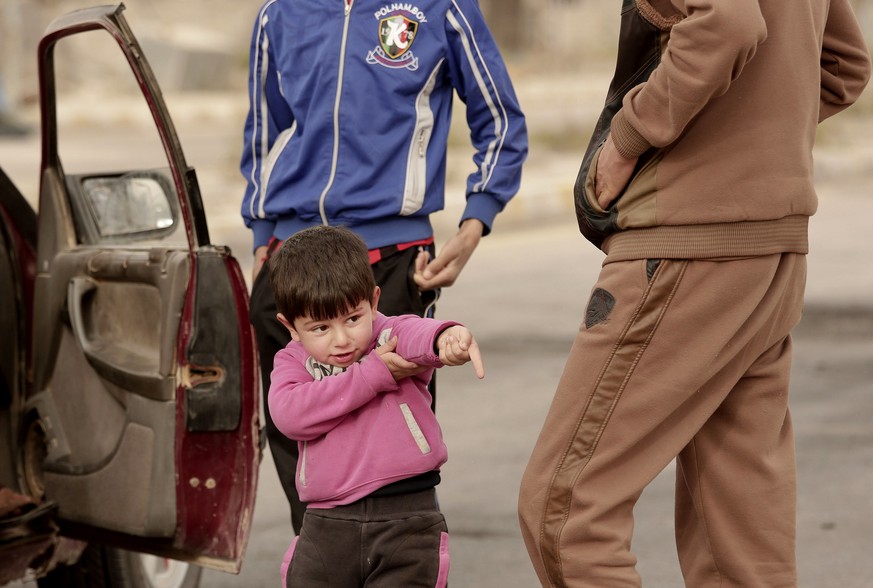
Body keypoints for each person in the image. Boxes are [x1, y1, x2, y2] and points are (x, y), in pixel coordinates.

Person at [518, 0, 870, 586]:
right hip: (770, 252)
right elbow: (844, 65)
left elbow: (728, 22)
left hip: (685, 246)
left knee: (567, 510)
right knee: (739, 542)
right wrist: (757, 142)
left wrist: (627, 141)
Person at [240, 0, 527, 533]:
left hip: (389, 263)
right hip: (291, 262)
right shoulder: (279, 13)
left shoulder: (441, 8)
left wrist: (474, 223)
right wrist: (262, 235)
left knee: (391, 450)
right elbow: (262, 130)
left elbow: (502, 120)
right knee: (299, 436)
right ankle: (320, 559)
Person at [267, 225, 484, 586]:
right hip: (327, 524)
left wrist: (447, 336)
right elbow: (289, 415)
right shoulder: (292, 363)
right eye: (320, 328)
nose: (341, 339)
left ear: (374, 301)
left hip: (408, 517)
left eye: (353, 318)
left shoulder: (387, 334)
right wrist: (372, 375)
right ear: (290, 326)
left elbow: (418, 334)